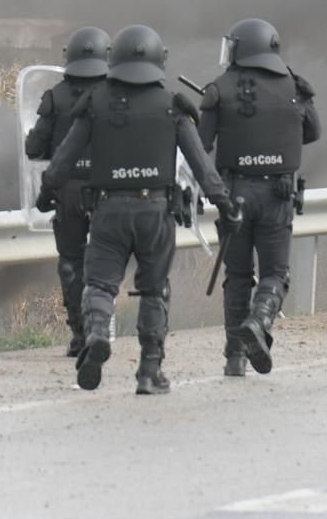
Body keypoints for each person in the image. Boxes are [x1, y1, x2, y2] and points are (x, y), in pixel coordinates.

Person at [41, 25, 232, 394]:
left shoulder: (94, 104)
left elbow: (62, 159)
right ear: (160, 60)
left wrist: (45, 193)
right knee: (154, 290)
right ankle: (149, 371)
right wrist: (223, 202)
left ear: (114, 60)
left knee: (99, 283)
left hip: (108, 211)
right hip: (155, 212)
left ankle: (97, 331)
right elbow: (201, 166)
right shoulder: (173, 105)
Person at [197, 18, 320, 377]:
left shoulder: (219, 88)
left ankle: (235, 357)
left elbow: (201, 144)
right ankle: (260, 318)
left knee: (237, 276)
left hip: (233, 194)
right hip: (277, 195)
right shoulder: (295, 87)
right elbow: (313, 132)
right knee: (275, 276)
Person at [24, 26, 111, 356]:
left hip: (68, 191)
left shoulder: (55, 96)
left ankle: (78, 334)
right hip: (108, 191)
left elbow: (34, 148)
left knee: (71, 263)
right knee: (104, 263)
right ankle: (100, 326)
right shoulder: (115, 95)